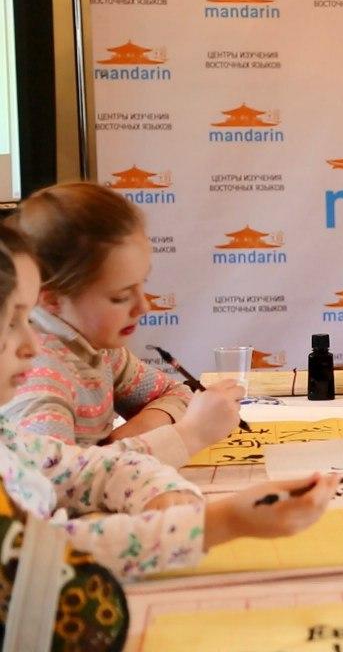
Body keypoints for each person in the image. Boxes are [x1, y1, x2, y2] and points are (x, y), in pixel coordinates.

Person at [0, 225, 338, 579]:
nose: (33, 344)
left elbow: (90, 469)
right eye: (12, 322)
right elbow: (39, 555)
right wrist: (221, 520)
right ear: (54, 302)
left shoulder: (17, 432)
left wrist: (163, 487)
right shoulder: (41, 382)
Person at [1, 182, 241, 467]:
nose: (144, 306)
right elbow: (56, 481)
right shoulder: (37, 377)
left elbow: (178, 392)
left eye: (143, 284)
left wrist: (124, 441)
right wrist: (189, 435)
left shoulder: (99, 347)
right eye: (120, 297)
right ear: (51, 299)